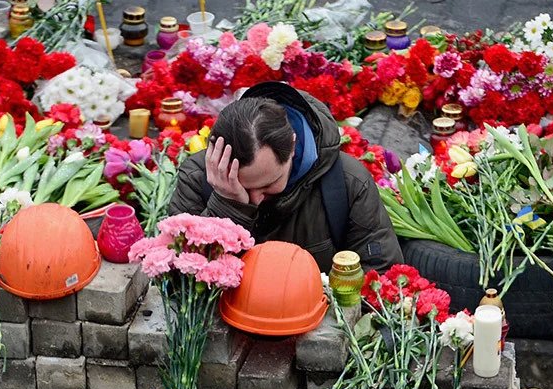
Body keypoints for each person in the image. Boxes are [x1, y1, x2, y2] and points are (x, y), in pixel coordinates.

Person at [168, 81, 403, 272]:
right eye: (240, 185)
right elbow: (178, 280)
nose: (255, 199)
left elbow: (381, 274)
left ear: (292, 147)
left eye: (268, 184)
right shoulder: (197, 178)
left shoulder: (347, 182)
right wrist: (228, 205)